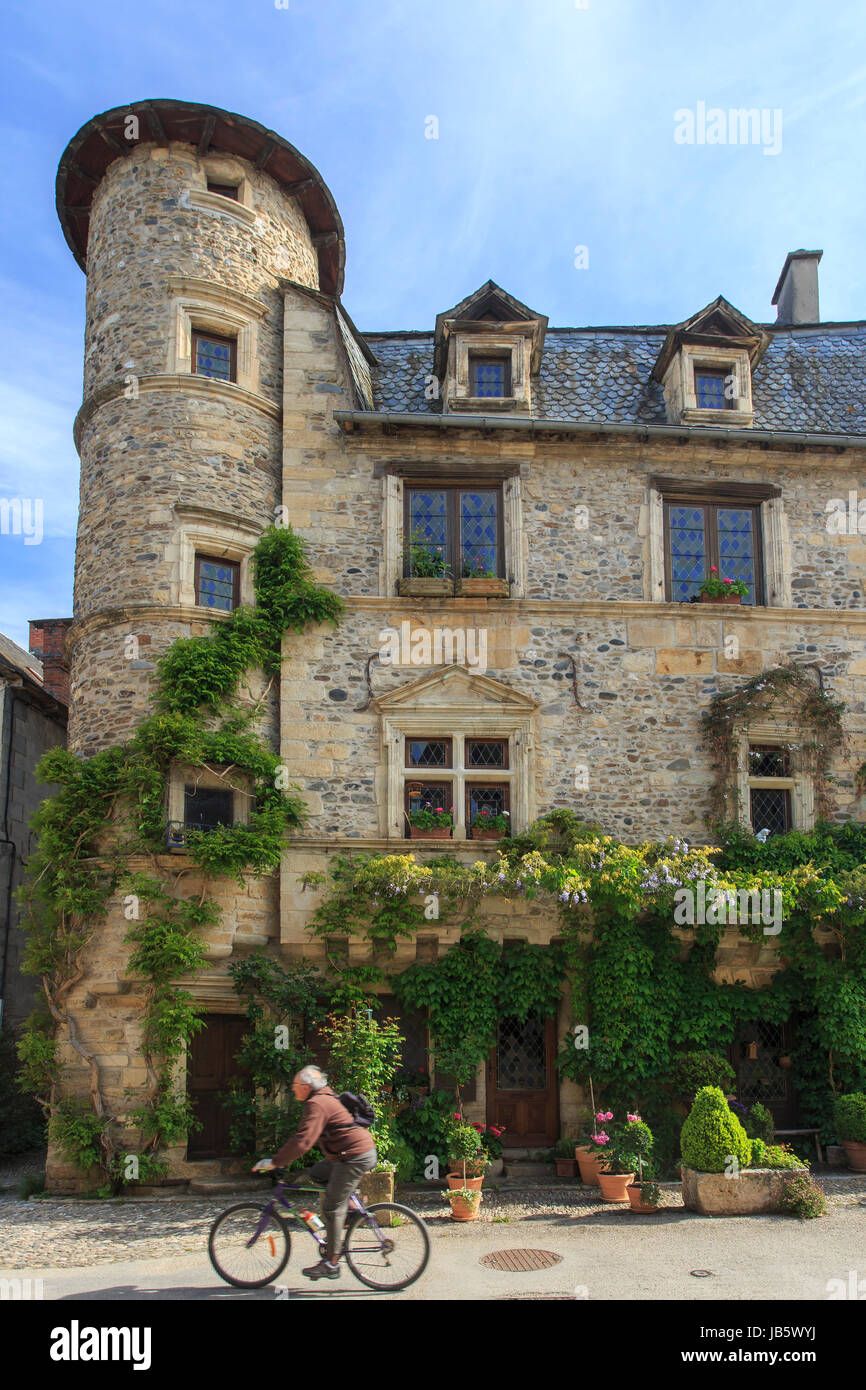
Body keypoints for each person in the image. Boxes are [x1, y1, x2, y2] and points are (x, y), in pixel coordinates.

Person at [253, 1065, 377, 1280]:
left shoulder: (317, 1103)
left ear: (305, 1087)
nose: (293, 1090)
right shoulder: (325, 1097)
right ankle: (352, 1208)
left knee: (331, 1206)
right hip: (349, 1154)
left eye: (294, 1086)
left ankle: (331, 1263)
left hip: (353, 1157)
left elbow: (304, 1140)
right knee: (318, 1173)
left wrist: (275, 1162)